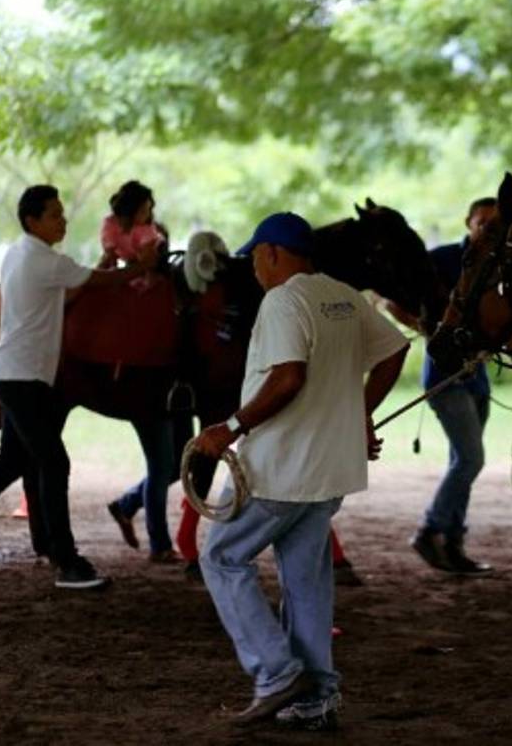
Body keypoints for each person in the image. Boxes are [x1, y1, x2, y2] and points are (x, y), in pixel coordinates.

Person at [192, 212, 408, 730]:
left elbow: (289, 378)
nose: (255, 270)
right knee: (307, 581)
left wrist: (232, 426)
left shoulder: (283, 299)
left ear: (270, 253)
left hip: (281, 468)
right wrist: (360, 413)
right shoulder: (343, 294)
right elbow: (395, 350)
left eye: (255, 259)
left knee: (221, 555)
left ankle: (277, 673)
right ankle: (316, 698)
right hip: (329, 470)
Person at [0, 185, 158, 588]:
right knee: (54, 462)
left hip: (15, 376)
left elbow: (67, 295)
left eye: (62, 212)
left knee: (12, 462)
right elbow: (101, 281)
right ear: (32, 222)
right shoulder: (46, 261)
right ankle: (67, 562)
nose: (63, 220)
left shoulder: (18, 254)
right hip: (23, 379)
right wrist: (142, 266)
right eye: (54, 214)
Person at [390, 197, 512, 577]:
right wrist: (429, 331)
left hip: (477, 377)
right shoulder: (439, 260)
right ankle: (429, 530)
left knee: (464, 462)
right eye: (482, 221)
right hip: (445, 377)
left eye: (495, 223)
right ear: (468, 222)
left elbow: (509, 327)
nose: (488, 228)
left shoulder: (499, 266)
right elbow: (392, 301)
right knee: (470, 459)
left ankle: (452, 543)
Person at [100, 180, 192, 563]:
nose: (149, 213)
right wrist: (128, 267)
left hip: (146, 288)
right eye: (145, 207)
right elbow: (108, 263)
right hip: (146, 377)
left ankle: (126, 504)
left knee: (171, 466)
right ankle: (159, 543)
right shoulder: (114, 230)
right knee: (162, 465)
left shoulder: (165, 287)